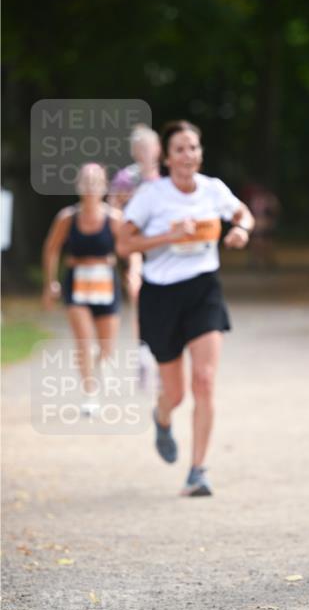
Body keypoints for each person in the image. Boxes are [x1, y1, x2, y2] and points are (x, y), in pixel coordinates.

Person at [116, 120, 254, 497]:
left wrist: (242, 229)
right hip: (161, 296)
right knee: (175, 394)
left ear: (200, 152)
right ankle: (162, 419)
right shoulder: (152, 195)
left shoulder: (213, 189)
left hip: (203, 289)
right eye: (179, 149)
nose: (188, 155)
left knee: (205, 380)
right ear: (167, 156)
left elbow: (243, 213)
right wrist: (167, 236)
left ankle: (198, 470)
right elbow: (125, 245)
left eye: (193, 147)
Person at [41, 163, 124, 414]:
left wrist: (135, 273)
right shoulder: (67, 218)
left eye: (95, 181)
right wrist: (50, 283)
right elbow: (51, 249)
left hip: (106, 283)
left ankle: (101, 363)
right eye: (85, 181)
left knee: (107, 346)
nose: (90, 186)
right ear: (78, 186)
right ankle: (90, 394)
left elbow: (129, 250)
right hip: (76, 283)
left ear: (104, 186)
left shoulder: (114, 219)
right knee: (84, 341)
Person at [109, 125, 162, 386]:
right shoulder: (125, 178)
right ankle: (143, 353)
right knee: (137, 290)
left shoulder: (167, 178)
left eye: (147, 147)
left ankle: (162, 355)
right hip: (137, 245)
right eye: (138, 148)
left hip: (163, 245)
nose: (143, 153)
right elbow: (113, 210)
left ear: (158, 149)